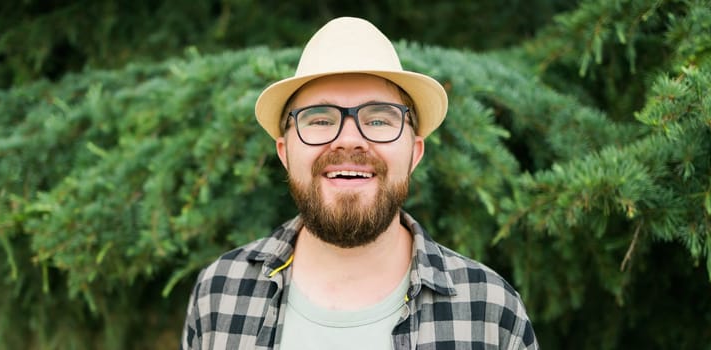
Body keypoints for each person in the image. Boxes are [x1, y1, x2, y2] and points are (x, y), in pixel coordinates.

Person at [181, 17, 538, 350]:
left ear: (414, 153)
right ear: (285, 152)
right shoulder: (219, 293)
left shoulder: (490, 312)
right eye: (319, 119)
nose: (348, 140)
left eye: (379, 120)